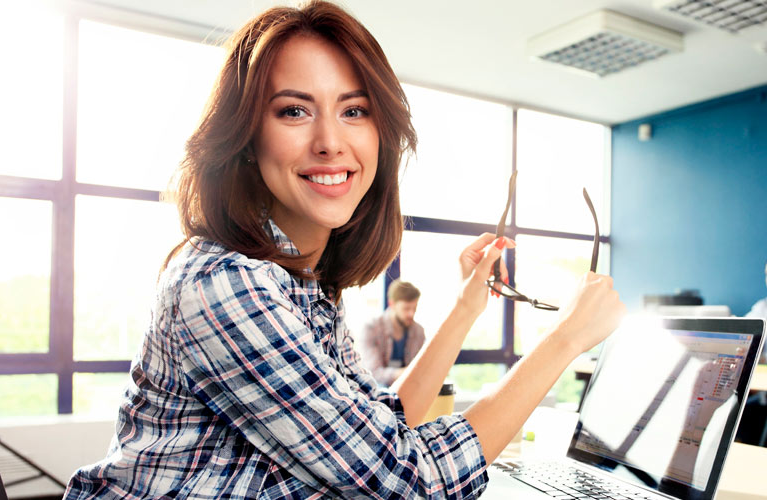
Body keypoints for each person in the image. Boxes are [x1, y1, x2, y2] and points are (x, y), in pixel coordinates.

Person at [63, 2, 625, 498]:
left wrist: (464, 310)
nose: (331, 141)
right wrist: (566, 338)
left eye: (354, 110)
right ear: (245, 141)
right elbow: (407, 481)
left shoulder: (305, 284)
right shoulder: (223, 283)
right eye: (294, 110)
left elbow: (382, 426)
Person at [359, 280, 425, 386]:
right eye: (406, 308)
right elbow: (373, 373)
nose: (411, 313)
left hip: (407, 389)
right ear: (392, 304)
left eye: (414, 308)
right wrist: (408, 372)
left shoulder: (418, 331)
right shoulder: (371, 328)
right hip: (376, 392)